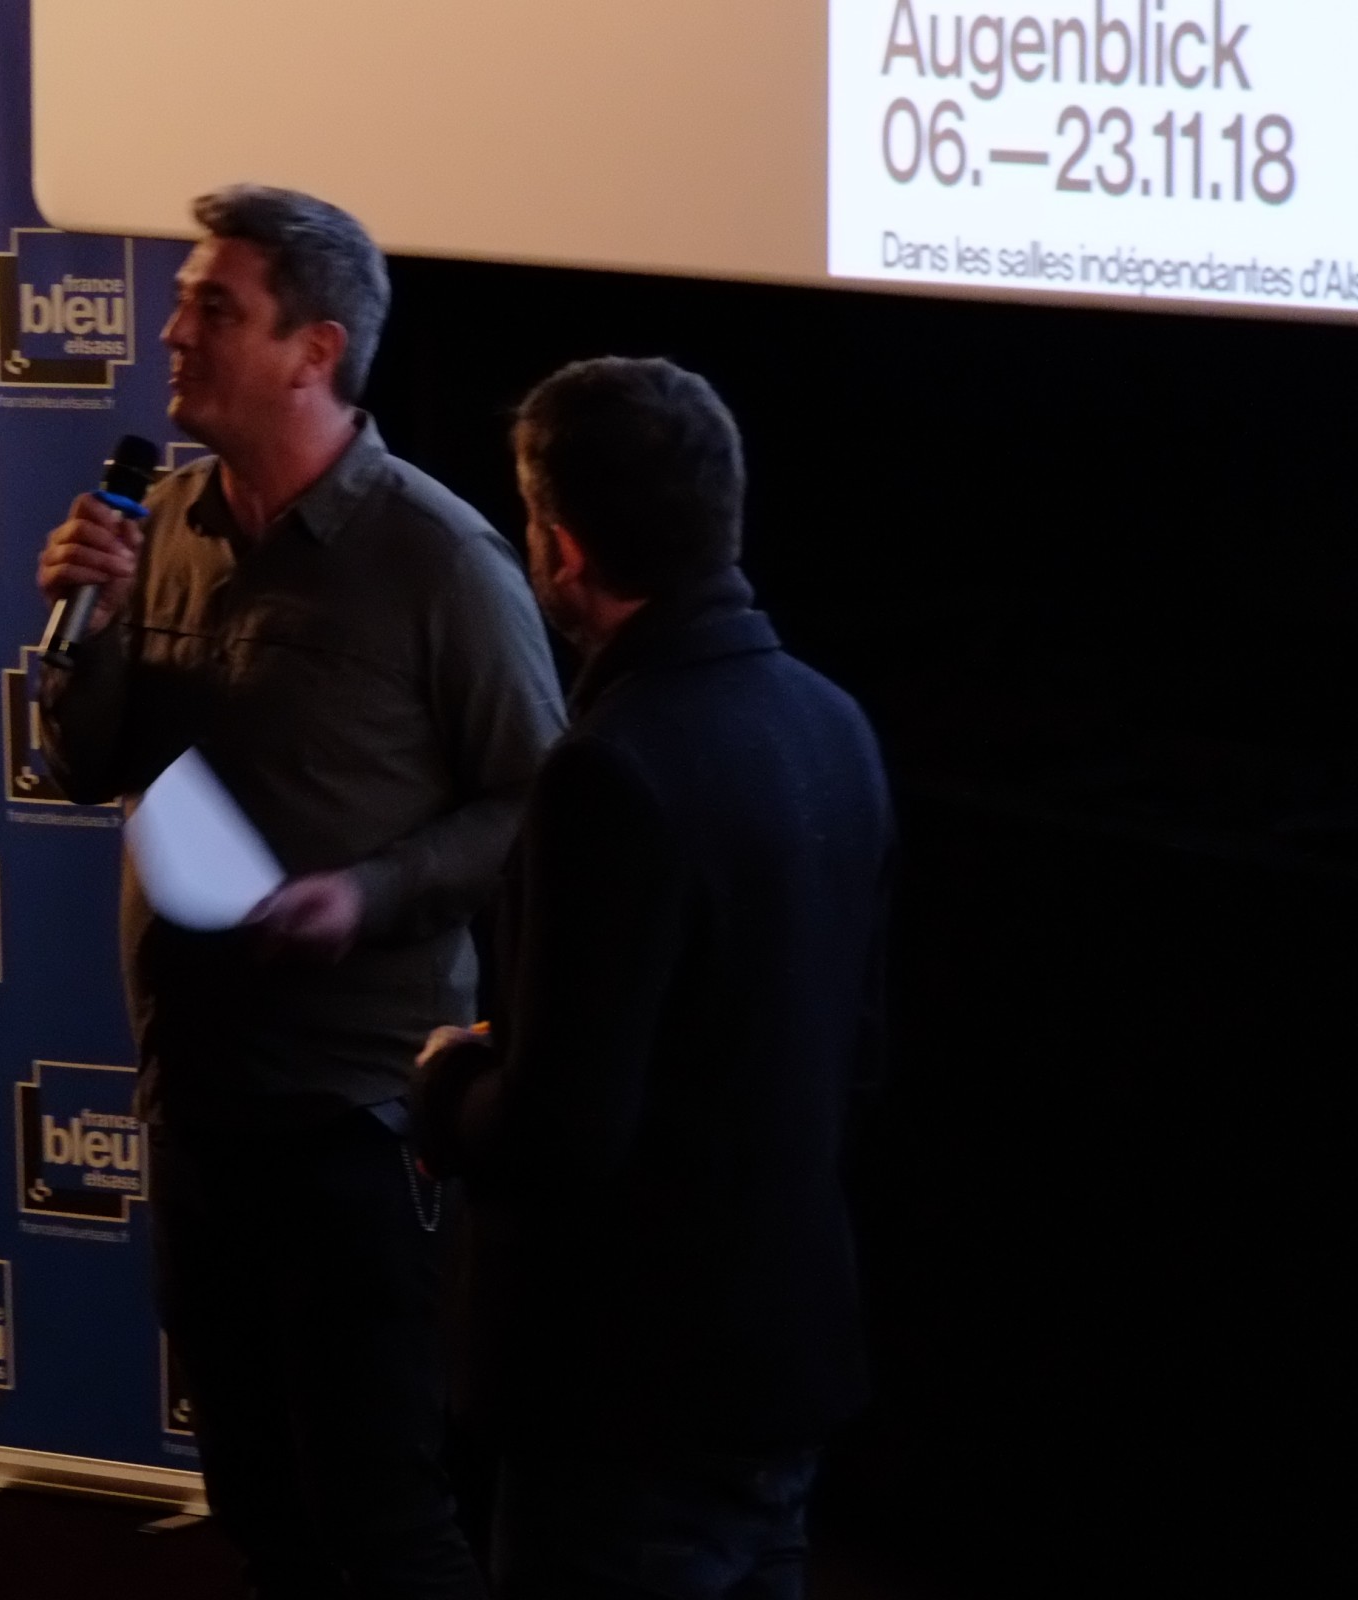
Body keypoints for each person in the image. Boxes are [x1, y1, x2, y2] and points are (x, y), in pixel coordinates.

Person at [36, 185, 565, 1598]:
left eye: (215, 308)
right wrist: (82, 633)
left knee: (383, 1517)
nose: (172, 332)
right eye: (180, 303)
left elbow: (540, 803)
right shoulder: (159, 525)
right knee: (257, 1497)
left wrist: (369, 894)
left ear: (314, 351)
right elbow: (84, 767)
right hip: (197, 1098)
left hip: (360, 1117)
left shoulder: (439, 558)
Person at [413, 357, 894, 1599]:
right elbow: (853, 1054)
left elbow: (561, 1130)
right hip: (781, 1363)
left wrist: (450, 1082)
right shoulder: (832, 721)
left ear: (564, 550)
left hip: (627, 1402)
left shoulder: (611, 770)